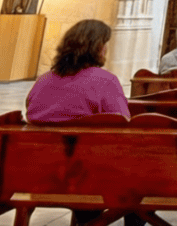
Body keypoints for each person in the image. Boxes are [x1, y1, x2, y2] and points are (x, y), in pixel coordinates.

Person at [27, 20, 144, 226]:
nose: (106, 48)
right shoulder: (104, 81)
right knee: (141, 177)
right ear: (97, 47)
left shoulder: (43, 80)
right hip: (88, 177)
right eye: (105, 43)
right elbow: (124, 126)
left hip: (41, 174)